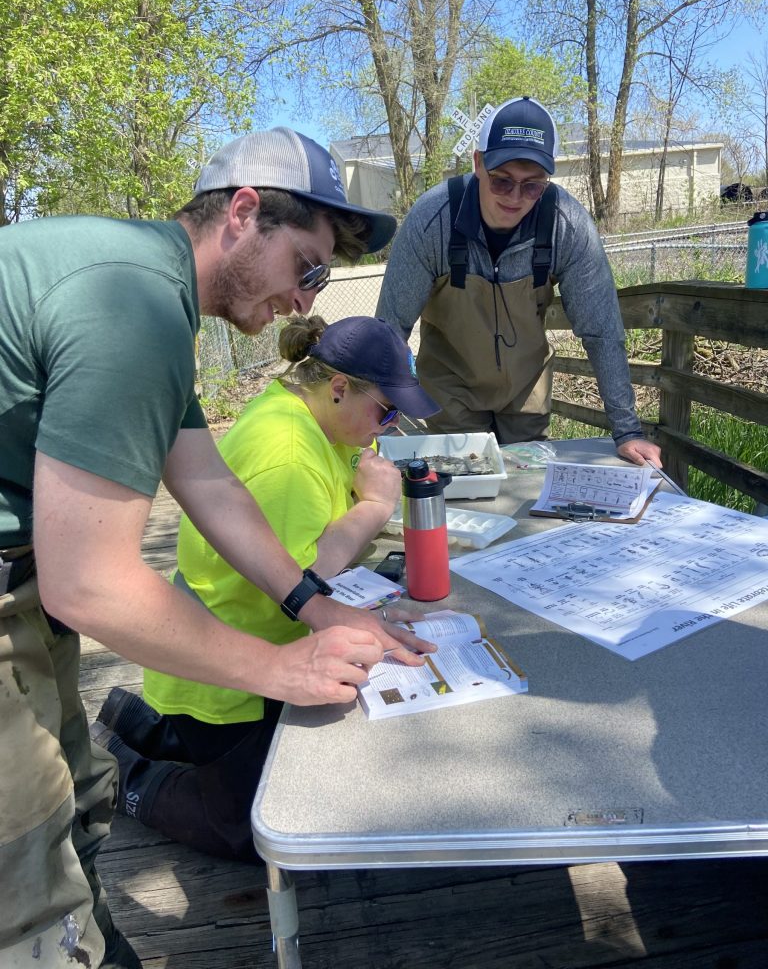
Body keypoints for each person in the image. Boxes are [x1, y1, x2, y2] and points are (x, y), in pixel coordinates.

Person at [0, 127, 433, 968]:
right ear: (243, 214)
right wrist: (281, 670)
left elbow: (207, 485)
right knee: (22, 865)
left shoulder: (146, 292)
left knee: (79, 798)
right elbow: (88, 586)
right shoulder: (128, 304)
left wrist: (312, 605)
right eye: (307, 268)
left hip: (22, 575)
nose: (307, 304)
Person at [90, 314, 440, 862]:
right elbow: (302, 581)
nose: (390, 426)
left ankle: (144, 724)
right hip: (226, 679)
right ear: (339, 387)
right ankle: (117, 772)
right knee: (247, 829)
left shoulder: (309, 412)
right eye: (387, 410)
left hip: (233, 653)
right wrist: (373, 506)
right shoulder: (291, 454)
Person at [375, 96, 662, 466]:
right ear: (478, 163)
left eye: (532, 186)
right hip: (450, 390)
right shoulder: (433, 221)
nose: (515, 197)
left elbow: (602, 329)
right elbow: (390, 328)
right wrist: (376, 416)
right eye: (502, 181)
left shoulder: (567, 226)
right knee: (466, 488)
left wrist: (627, 431)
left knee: (527, 489)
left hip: (525, 390)